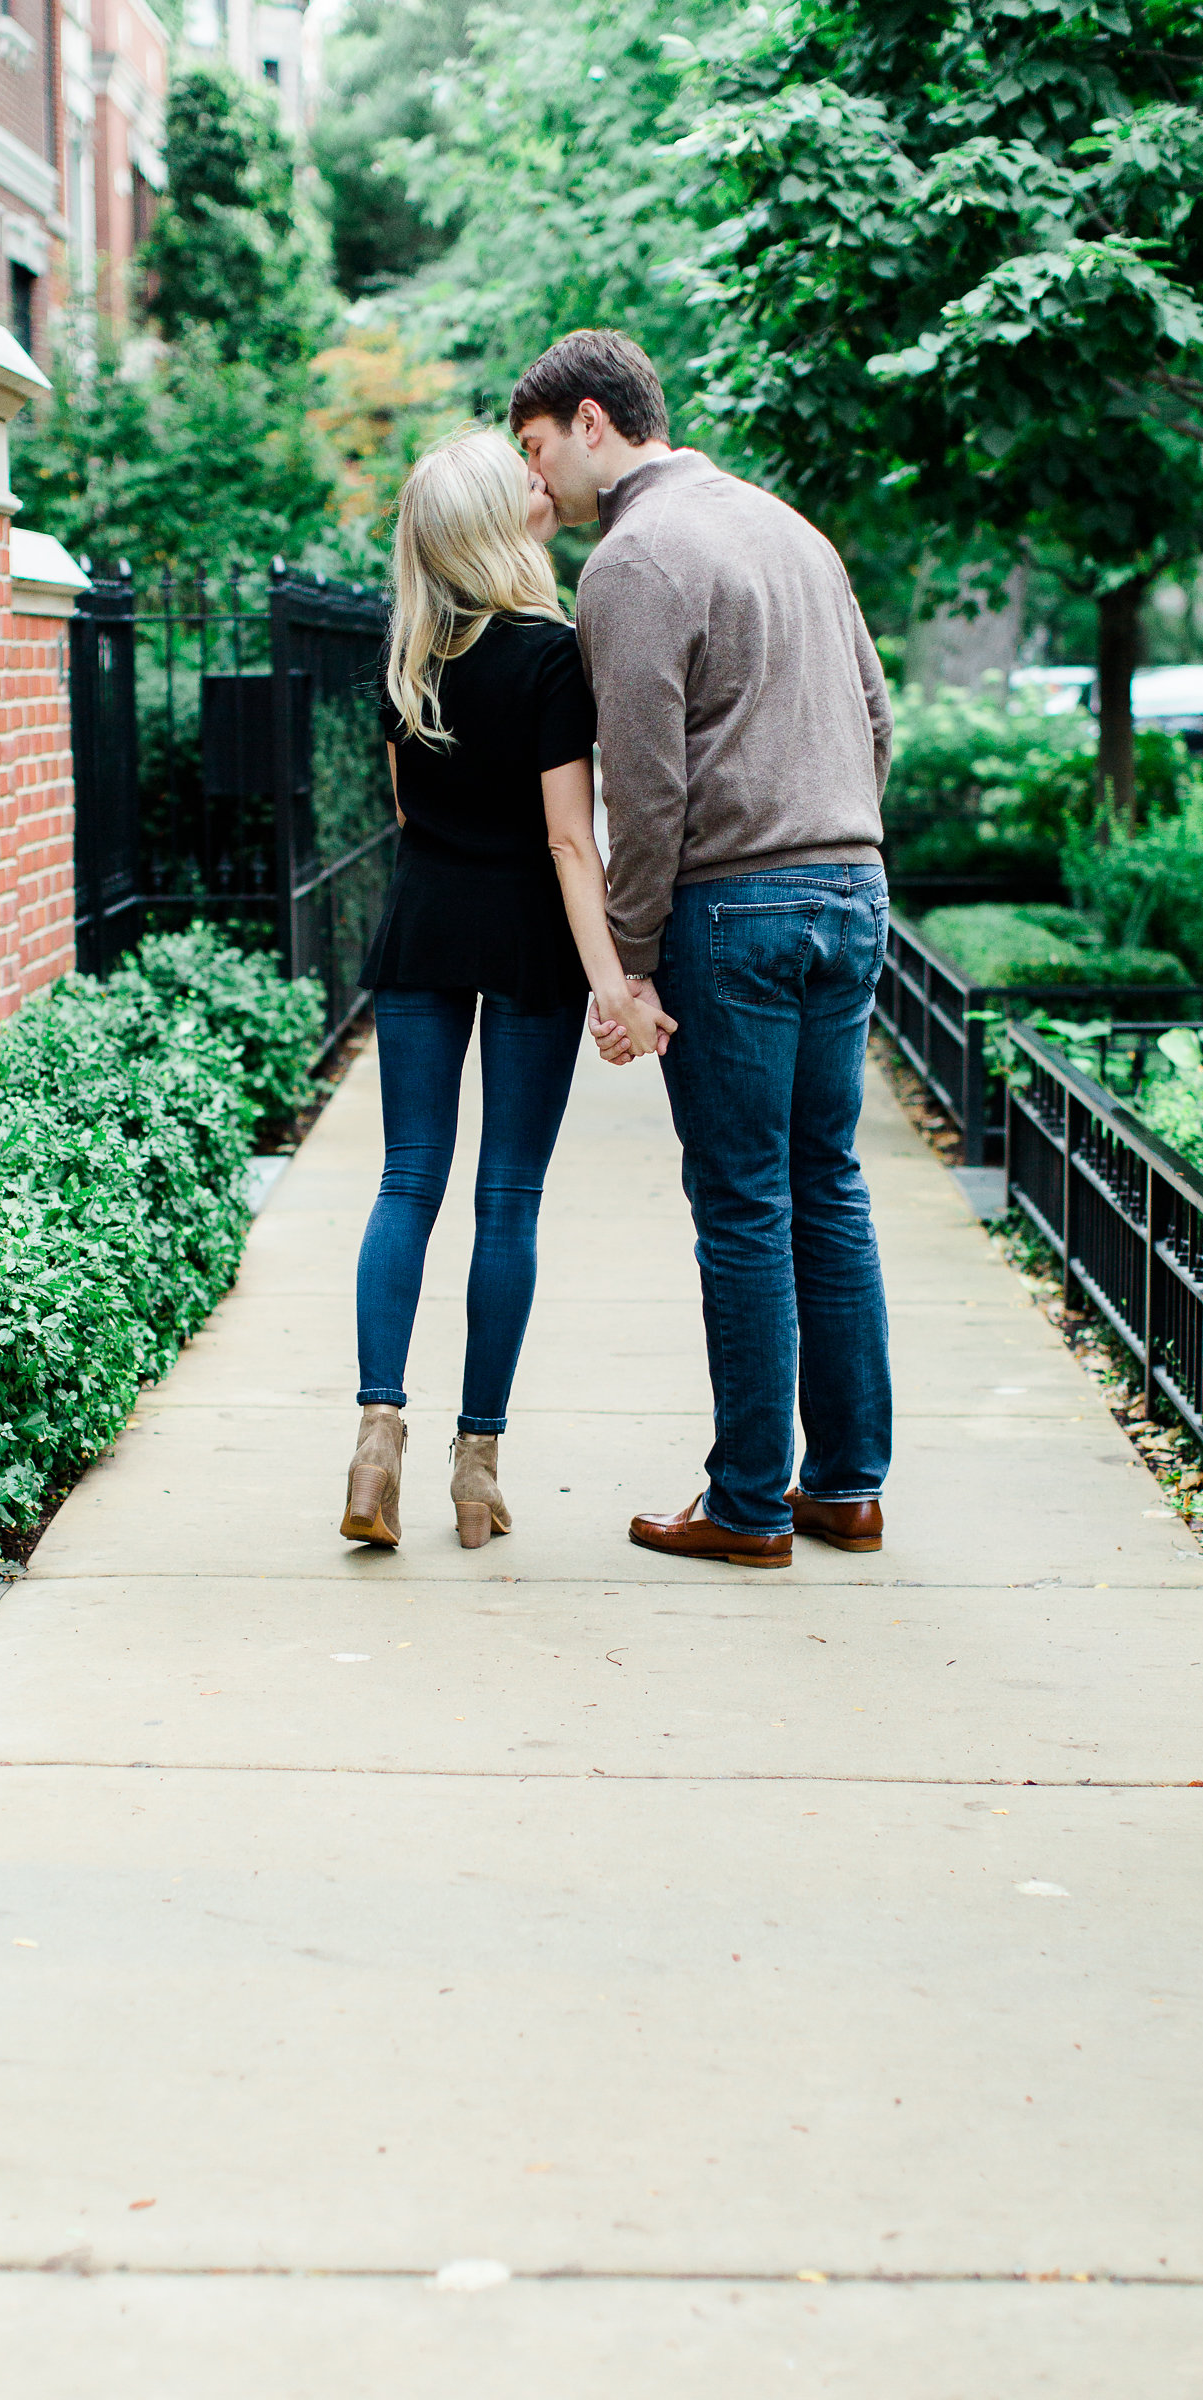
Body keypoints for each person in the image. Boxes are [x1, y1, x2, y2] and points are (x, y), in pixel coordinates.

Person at [510, 330, 894, 1571]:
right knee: (826, 1184)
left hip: (736, 907)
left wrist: (624, 965)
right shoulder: (792, 530)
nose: (539, 485)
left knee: (743, 1204)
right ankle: (845, 1488)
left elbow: (650, 786)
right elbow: (880, 723)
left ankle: (747, 1504)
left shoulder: (630, 560)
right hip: (852, 885)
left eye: (535, 450)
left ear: (589, 422)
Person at [340, 426, 673, 1551]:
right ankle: (475, 1469)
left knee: (406, 1182)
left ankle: (375, 1434)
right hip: (528, 940)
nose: (543, 487)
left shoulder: (407, 656)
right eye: (523, 483)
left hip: (423, 932)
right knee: (507, 1199)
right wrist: (617, 988)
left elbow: (406, 816)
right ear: (496, 520)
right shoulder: (549, 653)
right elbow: (572, 845)